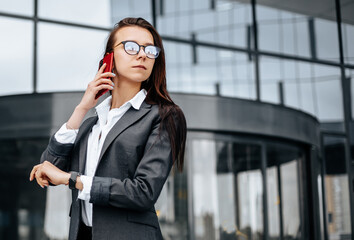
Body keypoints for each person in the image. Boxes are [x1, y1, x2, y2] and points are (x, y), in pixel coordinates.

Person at [29, 17, 187, 240]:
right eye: (131, 47)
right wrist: (82, 108)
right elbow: (49, 167)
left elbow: (144, 192)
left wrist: (72, 179)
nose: (142, 54)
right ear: (109, 57)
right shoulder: (91, 123)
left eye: (150, 50)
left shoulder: (164, 116)